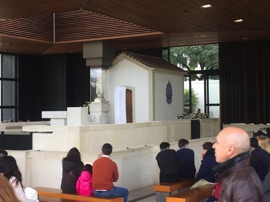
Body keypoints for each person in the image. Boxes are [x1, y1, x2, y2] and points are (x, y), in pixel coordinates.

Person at [212, 127, 264, 201]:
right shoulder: (234, 173)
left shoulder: (243, 182)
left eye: (217, 142)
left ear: (230, 149)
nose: (213, 146)